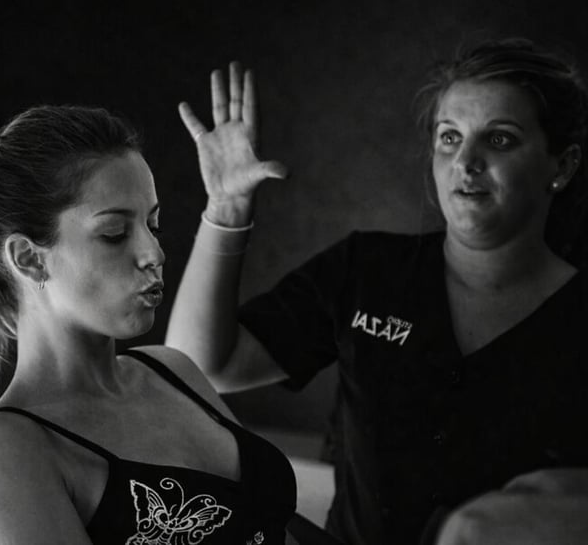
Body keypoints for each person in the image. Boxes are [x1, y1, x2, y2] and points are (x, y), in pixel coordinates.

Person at [167, 38, 588, 545]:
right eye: (449, 137)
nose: (466, 161)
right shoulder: (368, 270)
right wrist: (226, 209)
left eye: (500, 139)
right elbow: (204, 364)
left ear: (562, 166)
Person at [0, 104, 298, 544]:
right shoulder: (8, 445)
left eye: (153, 225)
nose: (155, 254)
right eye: (115, 235)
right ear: (29, 259)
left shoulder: (174, 370)